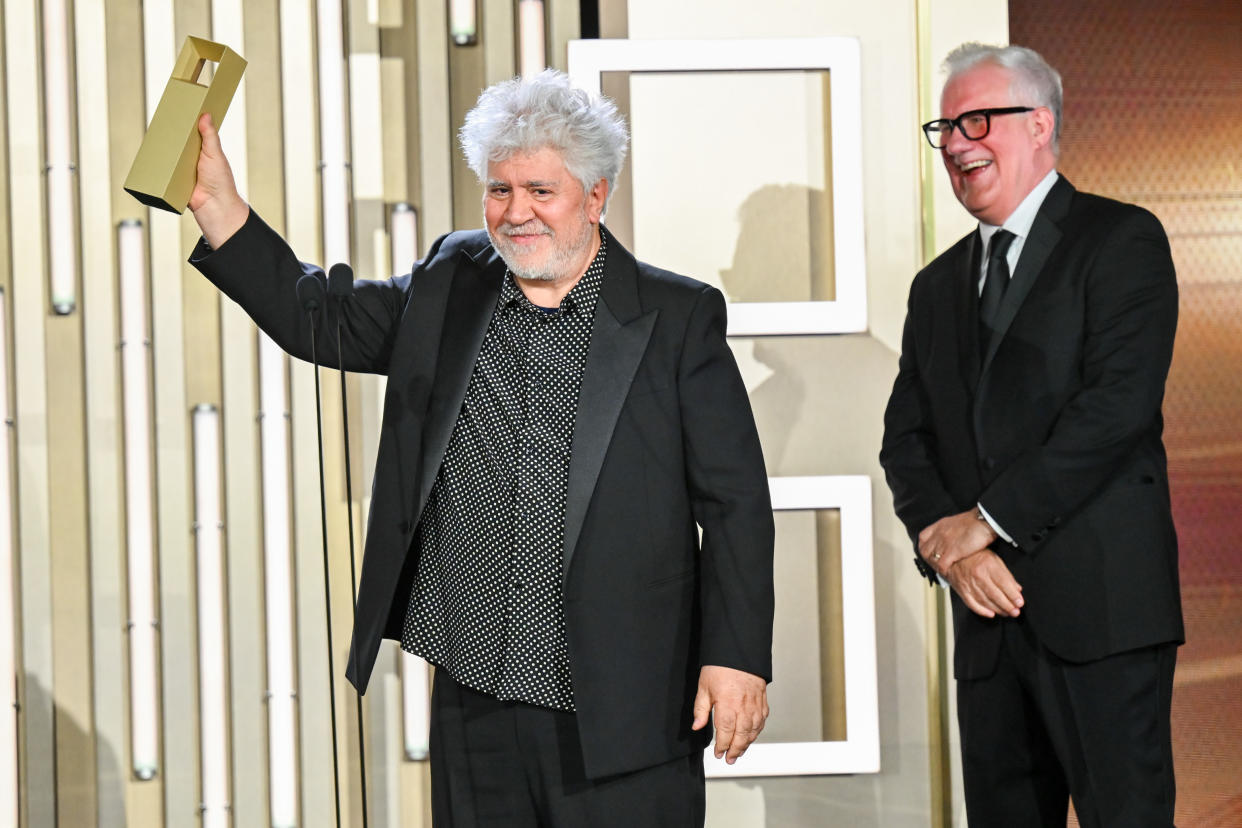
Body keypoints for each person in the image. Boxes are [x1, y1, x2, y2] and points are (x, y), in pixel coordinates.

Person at [187, 69, 774, 826]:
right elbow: (320, 320)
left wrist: (735, 657)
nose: (516, 213)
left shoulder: (677, 316)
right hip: (475, 705)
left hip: (624, 711)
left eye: (540, 191)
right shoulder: (451, 280)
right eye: (500, 190)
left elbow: (735, 504)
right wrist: (219, 210)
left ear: (595, 197)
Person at [880, 43, 1182, 827]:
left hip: (1103, 617)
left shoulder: (1120, 241)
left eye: (976, 119)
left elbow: (1115, 411)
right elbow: (905, 440)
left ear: (1039, 124)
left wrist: (982, 526)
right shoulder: (935, 285)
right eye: (944, 125)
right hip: (986, 631)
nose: (953, 141)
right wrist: (948, 549)